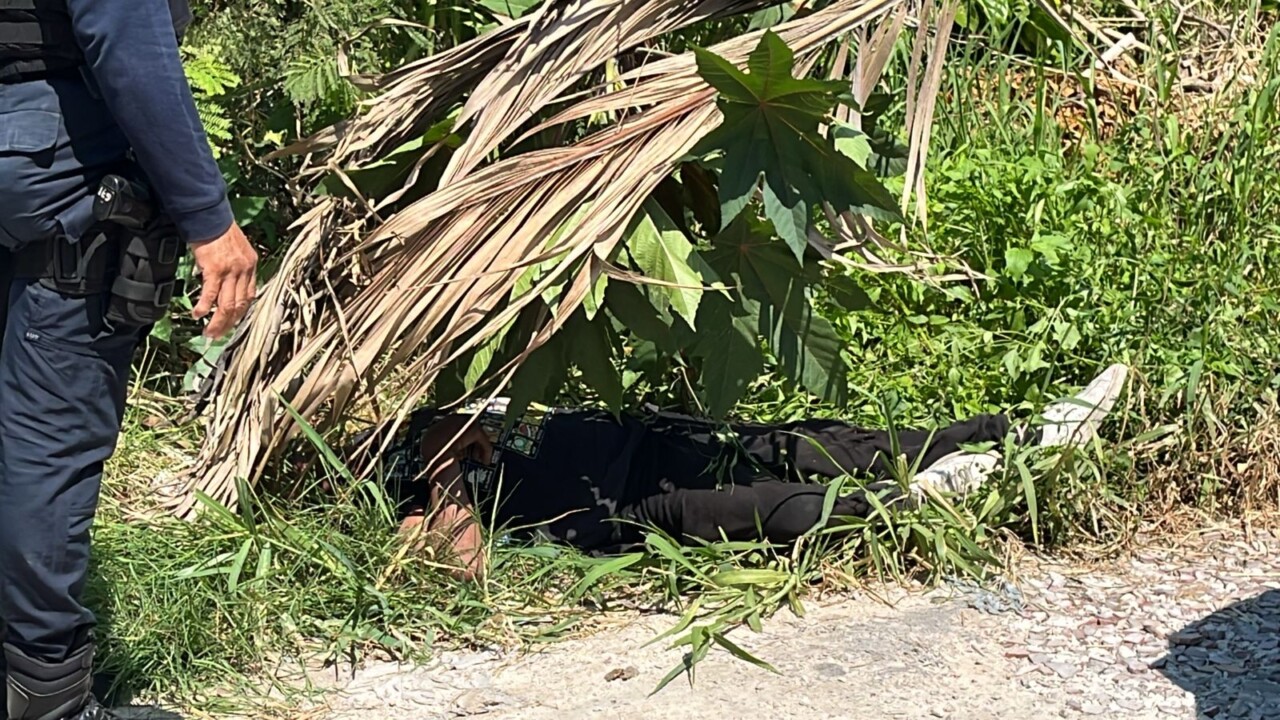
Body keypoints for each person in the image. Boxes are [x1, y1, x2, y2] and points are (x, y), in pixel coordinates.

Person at [0, 2, 258, 718]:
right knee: (48, 441)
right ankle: (46, 697)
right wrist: (210, 219)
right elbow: (129, 47)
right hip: (54, 175)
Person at [375, 365, 1129, 580]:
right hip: (620, 513)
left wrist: (454, 433)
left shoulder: (421, 407)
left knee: (820, 443)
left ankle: (1023, 434)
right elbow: (457, 564)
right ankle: (925, 497)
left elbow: (464, 415)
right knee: (768, 509)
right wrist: (441, 480)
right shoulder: (396, 481)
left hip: (642, 436)